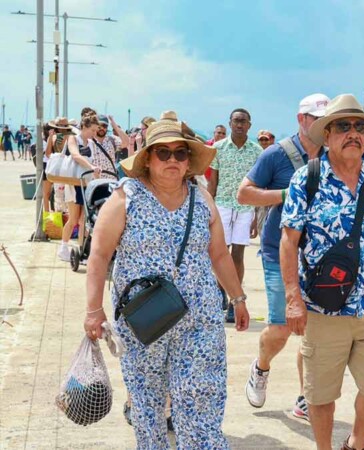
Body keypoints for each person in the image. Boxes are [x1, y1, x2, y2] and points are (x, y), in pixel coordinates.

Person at [84, 112, 250, 449]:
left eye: (180, 152)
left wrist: (238, 298)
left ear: (189, 159)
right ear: (147, 157)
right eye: (164, 152)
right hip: (144, 321)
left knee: (200, 396)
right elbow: (99, 254)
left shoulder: (201, 198)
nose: (173, 159)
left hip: (199, 318)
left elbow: (219, 254)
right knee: (147, 403)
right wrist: (93, 310)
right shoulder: (125, 197)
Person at [280, 94, 364, 450]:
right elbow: (289, 241)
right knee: (321, 393)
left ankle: (356, 442)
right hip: (323, 305)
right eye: (343, 127)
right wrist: (293, 299)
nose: (353, 134)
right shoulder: (308, 179)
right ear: (328, 135)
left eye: (359, 127)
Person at [238, 93, 329, 421]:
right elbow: (244, 193)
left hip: (319, 256)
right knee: (281, 326)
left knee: (315, 328)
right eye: (316, 119)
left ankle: (307, 395)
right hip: (279, 250)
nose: (321, 126)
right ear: (302, 119)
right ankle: (261, 367)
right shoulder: (276, 155)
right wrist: (285, 195)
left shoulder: (333, 158)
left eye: (325, 120)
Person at [208, 108, 262, 322]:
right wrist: (209, 210)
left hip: (245, 207)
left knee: (237, 255)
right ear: (230, 123)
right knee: (219, 252)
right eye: (236, 121)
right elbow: (213, 181)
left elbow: (259, 184)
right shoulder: (218, 148)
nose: (239, 125)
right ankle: (220, 290)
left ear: (250, 124)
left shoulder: (257, 151)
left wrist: (257, 215)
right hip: (221, 205)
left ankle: (234, 301)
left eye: (243, 121)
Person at [57, 115, 103, 262]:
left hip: (86, 183)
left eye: (96, 130)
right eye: (92, 130)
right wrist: (91, 167)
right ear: (84, 127)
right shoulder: (73, 138)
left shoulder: (90, 143)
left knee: (85, 220)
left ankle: (82, 251)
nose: (94, 133)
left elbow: (93, 160)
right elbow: (76, 155)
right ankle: (63, 247)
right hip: (74, 182)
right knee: (73, 218)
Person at [93, 115, 129, 180]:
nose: (102, 128)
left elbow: (127, 142)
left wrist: (115, 127)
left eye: (104, 126)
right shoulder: (90, 141)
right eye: (99, 125)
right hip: (95, 181)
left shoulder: (112, 140)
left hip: (110, 181)